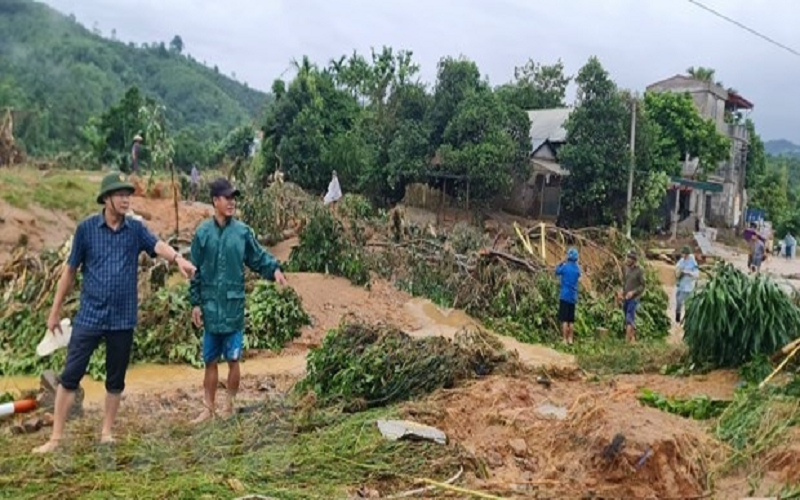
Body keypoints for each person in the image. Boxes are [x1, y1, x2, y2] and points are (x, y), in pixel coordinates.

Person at [33, 172, 197, 454]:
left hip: (122, 318)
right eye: (120, 194)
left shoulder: (135, 229)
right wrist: (54, 311)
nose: (125, 199)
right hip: (90, 317)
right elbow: (69, 271)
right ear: (106, 198)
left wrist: (179, 258)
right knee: (70, 375)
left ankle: (106, 432)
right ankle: (55, 439)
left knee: (115, 378)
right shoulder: (86, 230)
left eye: (128, 194)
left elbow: (157, 246)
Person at [189, 178, 289, 423]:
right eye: (227, 198)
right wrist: (195, 303)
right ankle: (208, 407)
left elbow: (258, 257)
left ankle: (229, 405)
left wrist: (274, 269)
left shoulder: (242, 232)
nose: (232, 202)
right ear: (215, 201)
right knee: (210, 360)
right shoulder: (202, 233)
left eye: (234, 198)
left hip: (233, 307)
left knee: (233, 359)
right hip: (211, 307)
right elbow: (195, 271)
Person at [555, 248, 581, 345]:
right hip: (573, 297)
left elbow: (557, 271)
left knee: (564, 319)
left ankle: (564, 339)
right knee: (571, 320)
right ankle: (571, 339)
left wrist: (561, 262)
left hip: (564, 296)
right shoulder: (577, 269)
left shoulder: (565, 267)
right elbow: (579, 273)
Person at [618, 251, 645, 343]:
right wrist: (621, 291)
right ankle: (633, 338)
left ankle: (627, 341)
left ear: (634, 260)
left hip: (634, 298)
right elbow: (624, 282)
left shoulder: (640, 270)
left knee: (629, 317)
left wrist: (633, 292)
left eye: (629, 259)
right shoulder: (626, 268)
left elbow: (642, 286)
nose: (627, 260)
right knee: (627, 316)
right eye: (627, 258)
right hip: (626, 297)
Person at [675, 246, 700, 324]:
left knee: (687, 304)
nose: (684, 256)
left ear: (688, 254)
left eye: (685, 254)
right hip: (681, 286)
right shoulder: (681, 261)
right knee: (678, 301)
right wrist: (679, 271)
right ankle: (677, 316)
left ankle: (687, 319)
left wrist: (689, 273)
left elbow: (697, 275)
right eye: (683, 254)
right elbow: (677, 270)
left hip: (689, 287)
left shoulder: (693, 262)